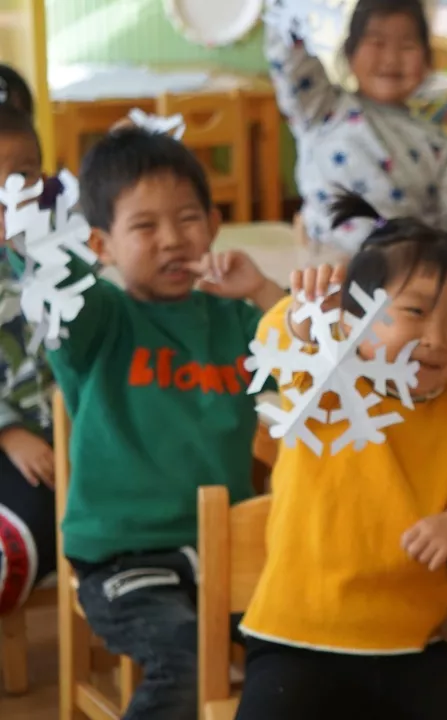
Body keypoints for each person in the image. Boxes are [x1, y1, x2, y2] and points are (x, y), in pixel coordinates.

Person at [5, 125, 285, 719]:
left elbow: (315, 368)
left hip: (228, 549)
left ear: (213, 222)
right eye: (144, 226)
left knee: (307, 647)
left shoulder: (235, 319)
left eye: (187, 219)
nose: (171, 241)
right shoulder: (100, 318)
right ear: (101, 243)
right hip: (124, 557)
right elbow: (57, 279)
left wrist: (261, 289)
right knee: (182, 659)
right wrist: (28, 228)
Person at [235, 193, 447, 719]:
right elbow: (279, 341)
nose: (435, 339)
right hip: (295, 639)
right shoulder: (327, 371)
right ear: (353, 317)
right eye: (414, 312)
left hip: (409, 645)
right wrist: (303, 320)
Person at [264, 0, 447, 251]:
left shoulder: (438, 143)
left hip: (407, 278)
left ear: (427, 61)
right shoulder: (321, 108)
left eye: (407, 45)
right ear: (349, 52)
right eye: (377, 43)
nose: (391, 58)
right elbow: (288, 52)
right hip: (326, 274)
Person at [0, 98, 60, 617]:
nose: (9, 192)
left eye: (22, 174)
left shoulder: (56, 255)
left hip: (56, 435)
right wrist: (8, 431)